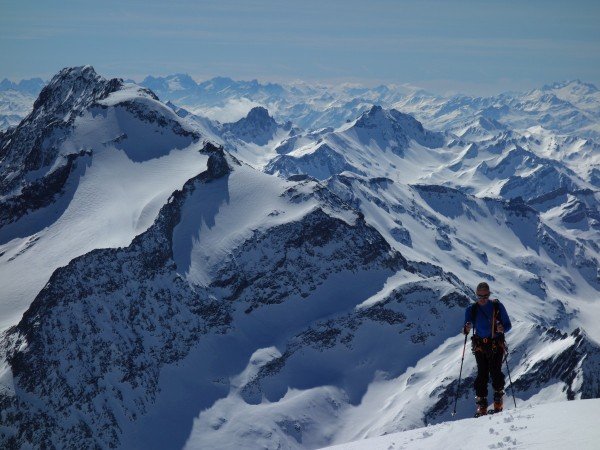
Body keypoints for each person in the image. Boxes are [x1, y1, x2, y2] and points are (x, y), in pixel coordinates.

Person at [463, 282, 512, 416]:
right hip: (481, 346)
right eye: (480, 297)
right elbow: (466, 328)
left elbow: (508, 325)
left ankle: (496, 401)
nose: (483, 299)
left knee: (495, 372)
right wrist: (466, 329)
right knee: (482, 374)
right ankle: (483, 404)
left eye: (485, 296)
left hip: (495, 344)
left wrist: (503, 328)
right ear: (476, 296)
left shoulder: (497, 307)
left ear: (489, 294)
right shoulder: (471, 309)